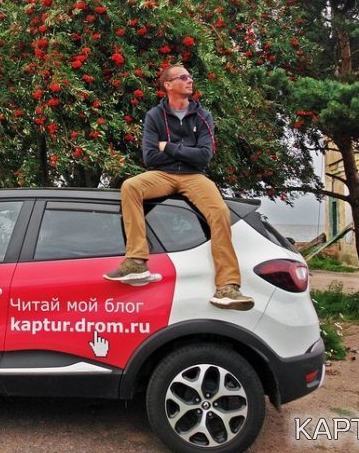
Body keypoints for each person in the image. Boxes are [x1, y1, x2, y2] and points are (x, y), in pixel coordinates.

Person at [104, 64, 254, 311]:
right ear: (168, 85)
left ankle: (227, 287)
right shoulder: (154, 115)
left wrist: (168, 146)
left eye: (190, 76)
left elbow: (204, 157)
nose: (189, 80)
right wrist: (184, 152)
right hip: (161, 175)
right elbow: (150, 157)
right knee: (131, 186)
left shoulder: (203, 115)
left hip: (194, 176)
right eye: (183, 77)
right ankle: (137, 262)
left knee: (219, 212)